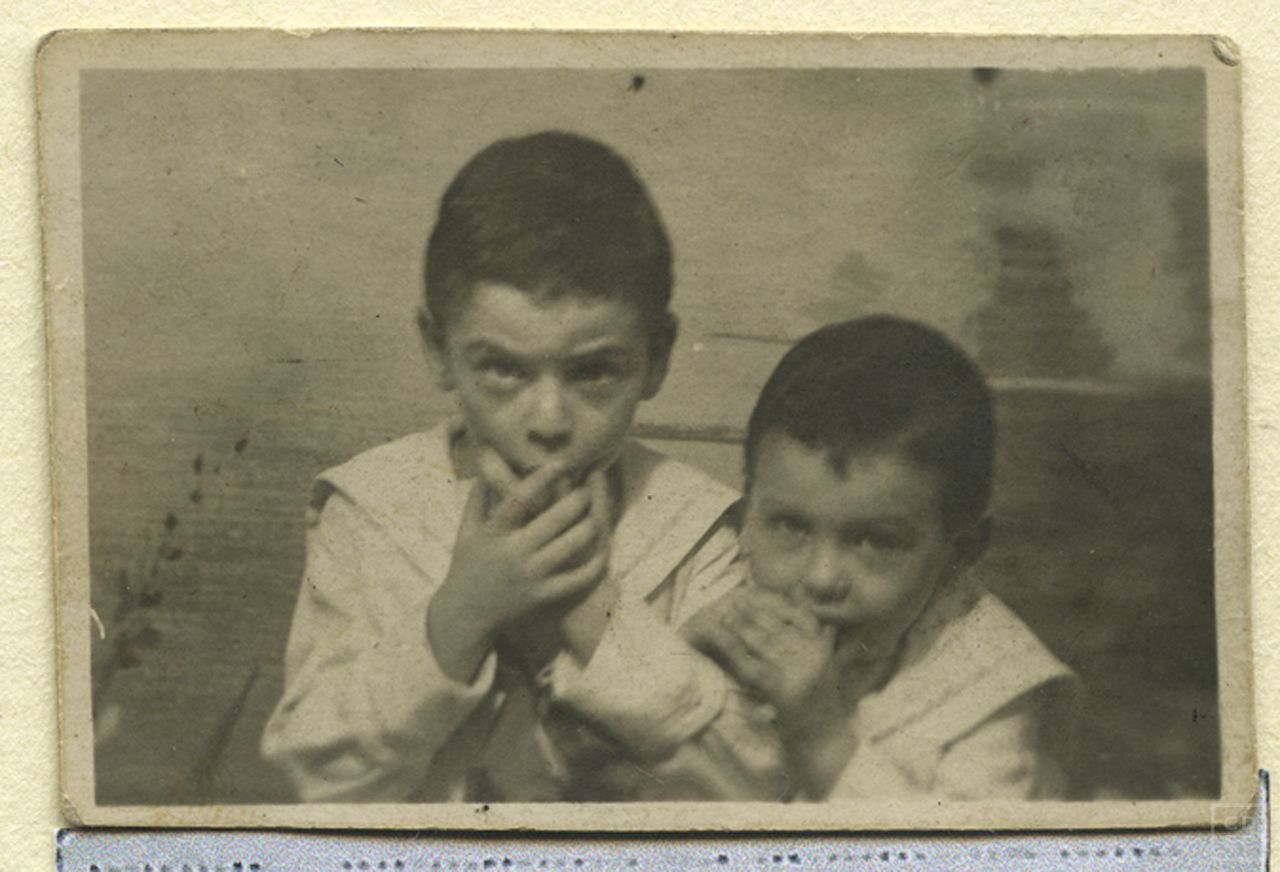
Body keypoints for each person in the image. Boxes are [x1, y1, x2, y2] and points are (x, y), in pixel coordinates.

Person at [261, 131, 785, 802]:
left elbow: (753, 779)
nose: (548, 421)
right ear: (438, 349)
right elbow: (315, 774)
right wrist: (459, 615)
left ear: (656, 356)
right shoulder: (371, 510)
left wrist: (591, 615)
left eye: (593, 371)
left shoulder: (697, 526)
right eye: (504, 369)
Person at [682, 316, 1076, 801]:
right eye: (790, 526)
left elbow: (964, 842)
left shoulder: (992, 689)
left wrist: (821, 736)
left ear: (962, 551)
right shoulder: (716, 594)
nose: (821, 578)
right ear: (746, 517)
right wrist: (680, 662)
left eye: (872, 541)